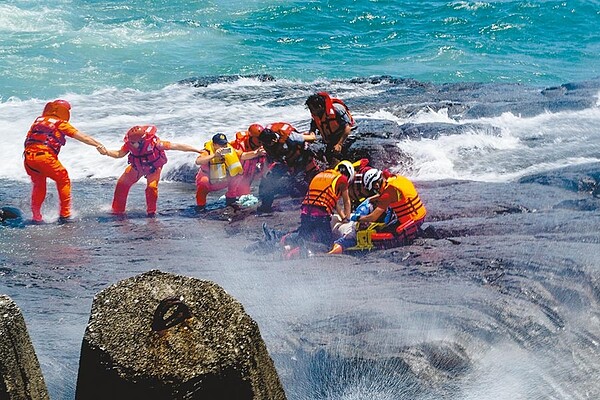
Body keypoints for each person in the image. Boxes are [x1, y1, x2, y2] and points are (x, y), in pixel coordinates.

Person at [23, 99, 106, 222]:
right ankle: (65, 214)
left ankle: (36, 216)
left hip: (28, 158)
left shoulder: (37, 121)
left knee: (39, 185)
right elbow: (82, 137)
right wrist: (98, 145)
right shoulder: (60, 124)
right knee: (63, 179)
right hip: (45, 157)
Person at [100, 125, 201, 217]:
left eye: (133, 142)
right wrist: (106, 152)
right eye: (130, 142)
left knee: (151, 188)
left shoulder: (156, 143)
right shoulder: (129, 144)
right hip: (137, 167)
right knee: (122, 184)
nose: (130, 144)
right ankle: (117, 211)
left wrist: (197, 150)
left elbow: (177, 146)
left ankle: (151, 213)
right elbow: (119, 154)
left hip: (153, 169)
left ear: (141, 141)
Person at [329, 168, 427, 253]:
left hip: (410, 223)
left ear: (376, 185)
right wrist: (370, 199)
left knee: (377, 236)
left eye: (374, 190)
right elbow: (388, 195)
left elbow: (373, 217)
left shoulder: (387, 194)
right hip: (420, 215)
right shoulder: (395, 178)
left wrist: (357, 218)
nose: (376, 192)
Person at [254, 122, 320, 213]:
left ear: (274, 140)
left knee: (299, 182)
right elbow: (269, 158)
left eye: (269, 143)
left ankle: (309, 203)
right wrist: (265, 172)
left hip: (299, 159)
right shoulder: (266, 144)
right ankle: (266, 207)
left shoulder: (291, 137)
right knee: (267, 182)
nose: (266, 145)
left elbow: (312, 138)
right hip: (284, 162)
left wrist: (311, 132)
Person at [195, 133, 263, 210]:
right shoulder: (207, 151)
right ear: (214, 144)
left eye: (224, 144)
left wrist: (256, 153)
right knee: (203, 181)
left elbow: (243, 155)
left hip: (223, 179)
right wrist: (214, 156)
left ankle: (231, 200)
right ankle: (201, 206)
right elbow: (198, 161)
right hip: (209, 181)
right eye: (221, 144)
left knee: (237, 174)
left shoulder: (229, 150)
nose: (223, 146)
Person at [297, 160, 355, 247]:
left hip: (305, 213)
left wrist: (343, 217)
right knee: (326, 245)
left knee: (303, 240)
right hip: (320, 215)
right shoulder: (342, 179)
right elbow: (346, 201)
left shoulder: (320, 175)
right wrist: (347, 219)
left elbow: (333, 201)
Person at [305, 92, 356, 166]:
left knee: (335, 154)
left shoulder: (337, 109)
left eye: (311, 109)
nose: (311, 111)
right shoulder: (316, 115)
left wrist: (339, 144)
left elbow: (347, 128)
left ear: (319, 106)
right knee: (319, 152)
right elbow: (313, 127)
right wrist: (311, 132)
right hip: (332, 137)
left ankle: (338, 171)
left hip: (347, 134)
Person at [228, 124, 267, 196]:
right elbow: (242, 155)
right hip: (235, 175)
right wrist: (256, 153)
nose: (261, 141)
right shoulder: (240, 145)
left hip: (248, 177)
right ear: (251, 137)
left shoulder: (264, 146)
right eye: (259, 138)